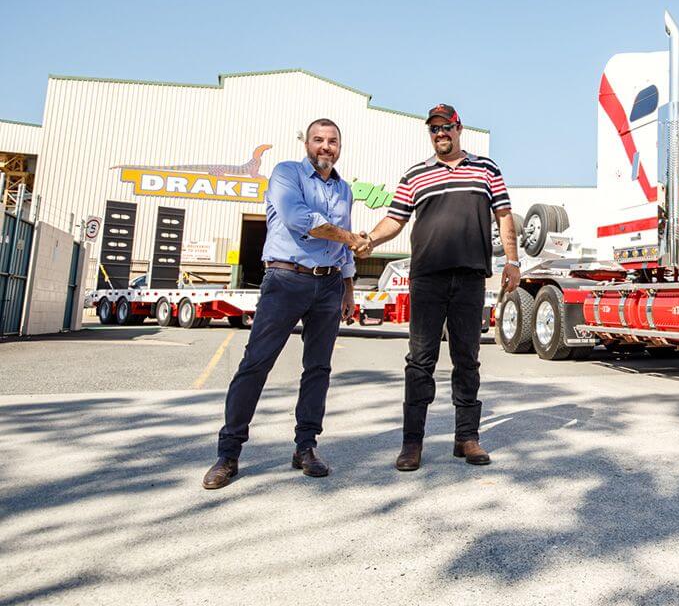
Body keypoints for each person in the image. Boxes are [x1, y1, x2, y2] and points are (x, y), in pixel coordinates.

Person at [202, 118, 370, 490]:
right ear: (306, 142)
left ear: (339, 146)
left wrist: (348, 287)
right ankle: (228, 454)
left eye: (332, 141)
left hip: (328, 285)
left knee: (318, 369)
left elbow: (343, 246)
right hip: (285, 280)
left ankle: (306, 447)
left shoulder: (344, 189)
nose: (325, 146)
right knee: (255, 364)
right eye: (318, 140)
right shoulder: (285, 174)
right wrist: (350, 237)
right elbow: (299, 219)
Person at [360, 104, 520, 471]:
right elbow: (394, 220)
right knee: (420, 362)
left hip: (469, 278)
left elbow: (504, 215)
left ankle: (467, 438)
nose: (440, 134)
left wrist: (512, 261)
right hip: (427, 278)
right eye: (433, 129)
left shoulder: (486, 169)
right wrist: (369, 239)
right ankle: (412, 444)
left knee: (467, 360)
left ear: (458, 127)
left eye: (446, 127)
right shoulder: (416, 175)